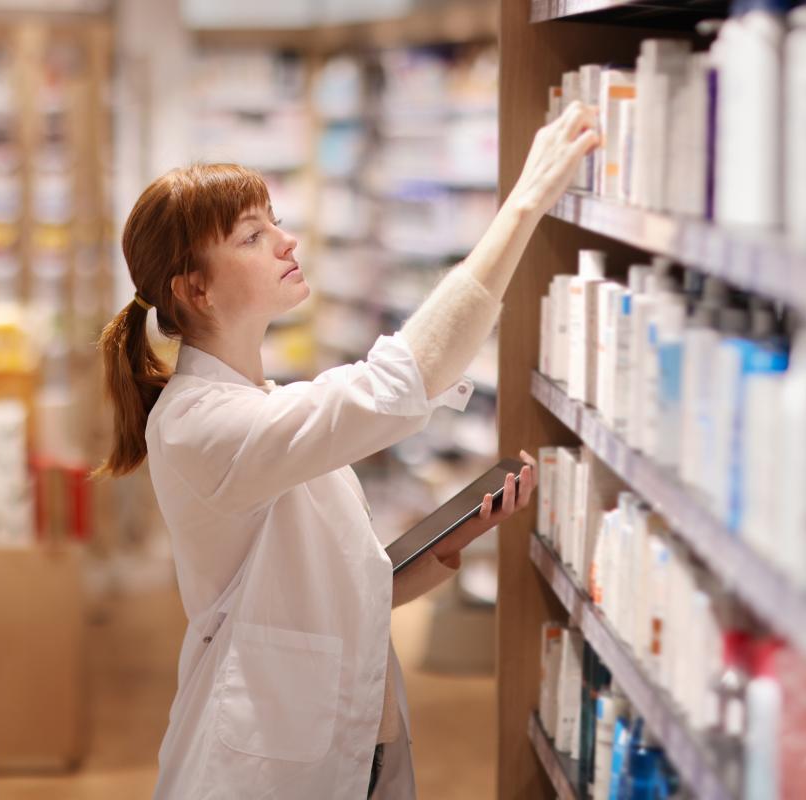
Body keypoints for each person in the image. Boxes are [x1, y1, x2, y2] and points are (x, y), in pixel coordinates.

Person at [98, 101, 599, 799]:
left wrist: (450, 537)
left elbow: (321, 593)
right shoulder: (198, 426)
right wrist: (524, 204)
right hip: (264, 769)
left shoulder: (263, 404)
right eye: (252, 235)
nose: (287, 240)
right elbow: (396, 384)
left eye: (275, 220)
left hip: (355, 747)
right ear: (196, 289)